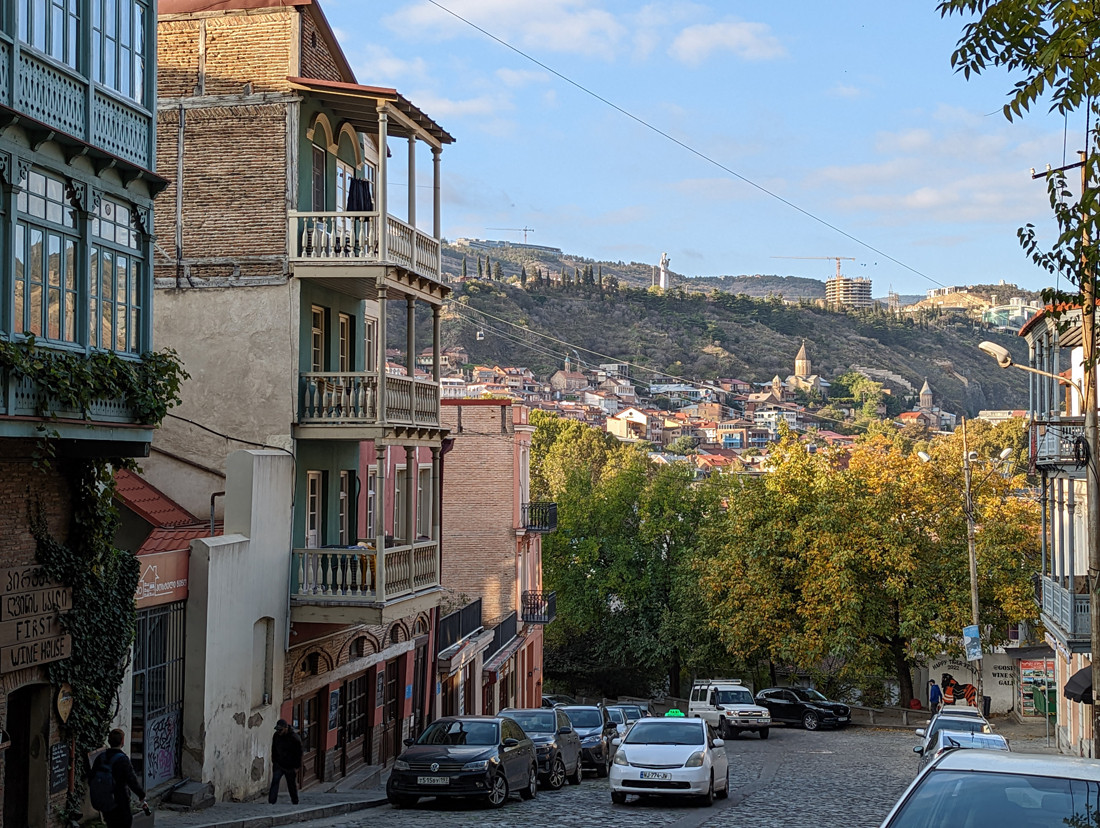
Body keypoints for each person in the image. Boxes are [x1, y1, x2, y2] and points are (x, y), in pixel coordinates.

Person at [95, 728, 148, 828]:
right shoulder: (123, 760)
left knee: (111, 824)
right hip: (120, 800)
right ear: (122, 741)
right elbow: (132, 781)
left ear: (109, 741)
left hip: (105, 800)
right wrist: (141, 794)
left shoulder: (101, 757)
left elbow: (92, 777)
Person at [269, 719, 303, 805]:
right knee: (275, 781)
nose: (279, 732)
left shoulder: (294, 738)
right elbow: (273, 749)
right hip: (279, 764)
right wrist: (274, 761)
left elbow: (299, 753)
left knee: (291, 784)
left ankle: (295, 801)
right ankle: (271, 801)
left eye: (280, 730)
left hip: (290, 765)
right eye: (277, 730)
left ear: (286, 728)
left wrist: (297, 766)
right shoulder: (276, 736)